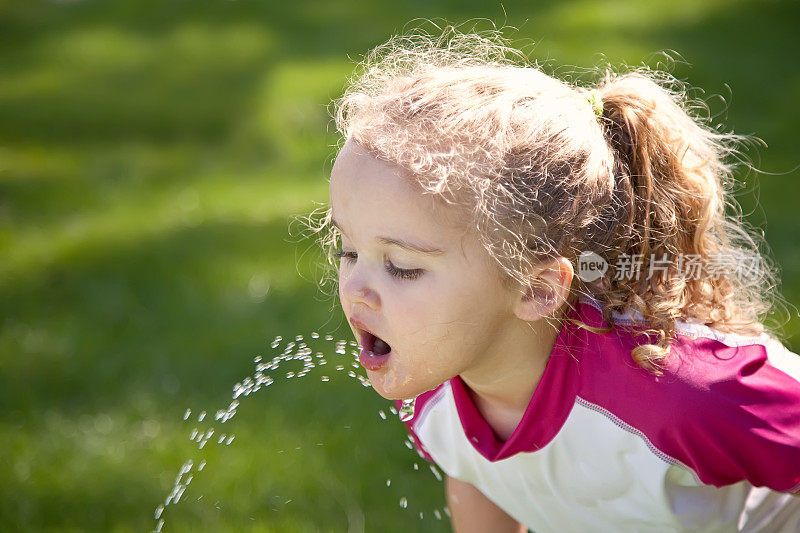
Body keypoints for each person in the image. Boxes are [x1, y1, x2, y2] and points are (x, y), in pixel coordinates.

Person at [322, 27, 800, 532]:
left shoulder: (678, 392)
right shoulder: (430, 380)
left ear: (537, 288)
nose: (354, 289)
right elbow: (479, 473)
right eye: (347, 251)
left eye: (403, 267)